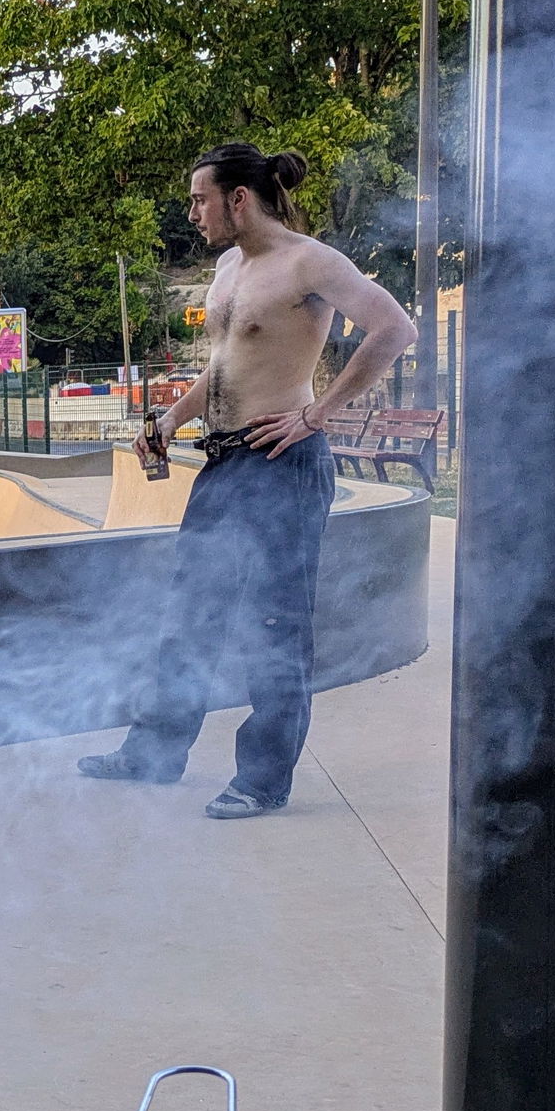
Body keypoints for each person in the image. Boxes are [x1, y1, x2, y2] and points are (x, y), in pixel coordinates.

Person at [78, 142, 416, 818]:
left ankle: (262, 780)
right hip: (224, 463)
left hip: (283, 466)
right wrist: (170, 419)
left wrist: (316, 414)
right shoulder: (230, 267)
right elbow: (227, 364)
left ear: (238, 198)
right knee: (189, 616)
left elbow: (395, 328)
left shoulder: (310, 262)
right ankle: (153, 753)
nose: (192, 213)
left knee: (274, 624)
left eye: (200, 199)